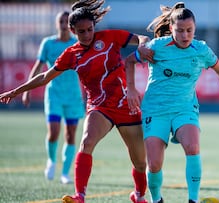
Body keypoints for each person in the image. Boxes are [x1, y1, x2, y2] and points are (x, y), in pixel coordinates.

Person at [0, 0, 154, 203]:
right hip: (100, 107)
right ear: (73, 31)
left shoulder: (110, 37)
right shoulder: (71, 55)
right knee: (87, 141)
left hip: (127, 105)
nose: (87, 34)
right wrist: (17, 91)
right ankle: (79, 195)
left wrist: (142, 46)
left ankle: (139, 195)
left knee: (141, 163)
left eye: (90, 29)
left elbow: (142, 37)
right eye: (81, 31)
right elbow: (45, 77)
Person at [125, 2, 219, 203]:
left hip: (185, 109)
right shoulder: (156, 47)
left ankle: (193, 200)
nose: (185, 35)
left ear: (194, 29)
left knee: (193, 147)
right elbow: (129, 61)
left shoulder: (201, 49)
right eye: (180, 31)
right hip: (156, 110)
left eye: (189, 30)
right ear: (171, 29)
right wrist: (131, 89)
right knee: (154, 164)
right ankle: (157, 200)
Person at [22, 11, 85, 185]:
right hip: (54, 95)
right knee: (53, 133)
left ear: (71, 25)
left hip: (73, 96)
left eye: (67, 21)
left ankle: (65, 173)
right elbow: (38, 67)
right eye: (61, 21)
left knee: (71, 135)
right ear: (57, 24)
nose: (64, 24)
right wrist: (27, 90)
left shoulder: (77, 44)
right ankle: (51, 160)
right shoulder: (48, 43)